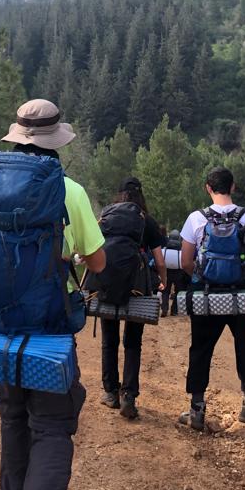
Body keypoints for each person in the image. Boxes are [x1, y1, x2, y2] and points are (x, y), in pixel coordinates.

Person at [0, 99, 106, 490]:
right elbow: (99, 263)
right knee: (51, 425)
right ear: (57, 142)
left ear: (17, 138)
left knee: (13, 417)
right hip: (48, 328)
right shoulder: (69, 190)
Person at [178, 166, 245, 431]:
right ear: (233, 187)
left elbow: (185, 261)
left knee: (200, 349)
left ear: (208, 188)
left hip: (207, 298)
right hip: (242, 297)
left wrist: (203, 276)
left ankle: (196, 410)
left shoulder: (196, 219)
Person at [99, 177, 167, 419]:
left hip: (107, 283)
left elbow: (94, 248)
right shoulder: (146, 220)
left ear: (119, 194)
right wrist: (163, 280)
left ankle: (110, 393)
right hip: (137, 286)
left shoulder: (106, 215)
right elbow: (159, 259)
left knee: (109, 340)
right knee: (133, 342)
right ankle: (129, 395)